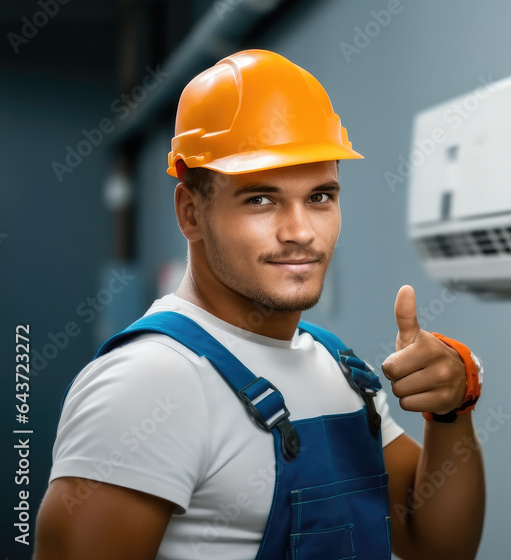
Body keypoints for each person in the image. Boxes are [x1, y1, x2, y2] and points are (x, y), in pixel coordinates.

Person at [34, 49, 486, 560]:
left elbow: (437, 544)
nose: (300, 232)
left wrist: (452, 410)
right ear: (191, 212)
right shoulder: (149, 381)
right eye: (260, 199)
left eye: (319, 197)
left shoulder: (339, 369)